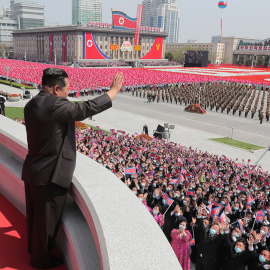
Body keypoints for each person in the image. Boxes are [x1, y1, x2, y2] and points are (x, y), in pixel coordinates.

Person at [21, 68, 123, 269]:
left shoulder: (31, 104)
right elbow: (84, 109)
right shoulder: (55, 105)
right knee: (46, 223)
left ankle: (35, 250)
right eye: (68, 89)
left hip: (34, 169)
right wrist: (112, 92)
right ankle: (40, 261)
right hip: (50, 174)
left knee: (35, 218)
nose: (69, 92)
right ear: (56, 88)